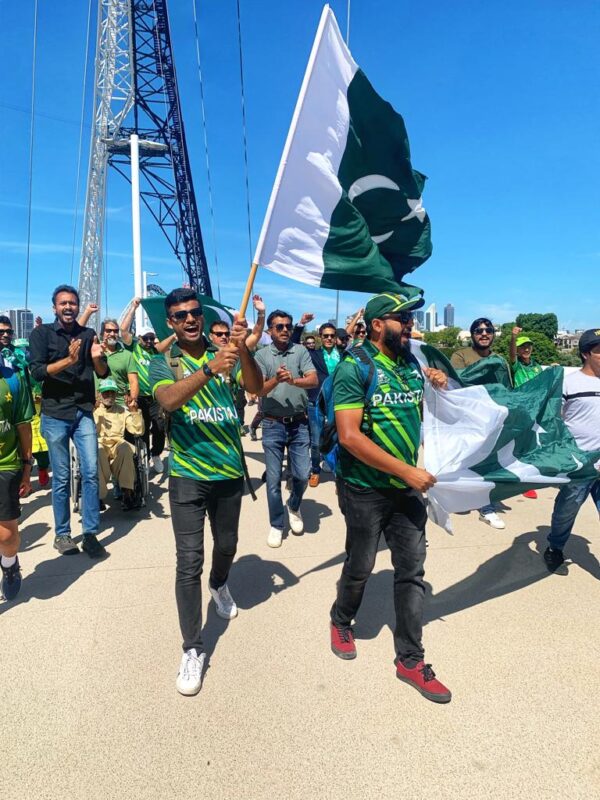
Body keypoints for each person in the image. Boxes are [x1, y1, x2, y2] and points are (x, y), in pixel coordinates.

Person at [329, 291, 451, 703]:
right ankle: (341, 618)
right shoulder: (355, 366)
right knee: (361, 565)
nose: (411, 324)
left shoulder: (411, 363)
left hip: (407, 490)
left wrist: (438, 383)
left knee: (411, 570)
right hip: (364, 489)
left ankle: (411, 659)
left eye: (412, 318)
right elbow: (348, 436)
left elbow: (426, 411)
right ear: (379, 324)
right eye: (404, 319)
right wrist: (406, 472)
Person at [150, 288, 263, 696]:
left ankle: (219, 583)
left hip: (229, 472)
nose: (190, 320)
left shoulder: (226, 350)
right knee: (187, 562)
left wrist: (242, 350)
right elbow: (168, 400)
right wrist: (211, 369)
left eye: (195, 313)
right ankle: (193, 647)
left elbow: (255, 387)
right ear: (170, 323)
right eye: (181, 316)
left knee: (228, 545)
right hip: (187, 476)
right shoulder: (162, 361)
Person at [29, 284, 109, 558]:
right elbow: (38, 372)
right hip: (54, 413)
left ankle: (90, 533)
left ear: (77, 306)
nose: (68, 307)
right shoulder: (41, 334)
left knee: (90, 472)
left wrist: (98, 358)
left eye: (72, 303)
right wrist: (68, 360)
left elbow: (102, 371)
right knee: (61, 477)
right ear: (54, 307)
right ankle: (62, 534)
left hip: (83, 411)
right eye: (63, 303)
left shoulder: (88, 334)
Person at [254, 310, 318, 548]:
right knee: (273, 480)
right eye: (279, 326)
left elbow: (313, 380)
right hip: (272, 424)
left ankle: (293, 505)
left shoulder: (300, 351)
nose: (284, 330)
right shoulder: (261, 355)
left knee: (302, 475)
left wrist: (293, 381)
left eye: (288, 326)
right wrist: (277, 380)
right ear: (270, 330)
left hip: (299, 423)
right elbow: (259, 389)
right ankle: (276, 524)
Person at [544, 329, 600, 574]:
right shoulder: (569, 382)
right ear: (586, 353)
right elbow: (553, 421)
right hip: (579, 464)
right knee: (566, 511)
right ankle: (555, 547)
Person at [451, 318, 507, 529]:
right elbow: (457, 380)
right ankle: (461, 496)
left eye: (488, 330)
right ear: (472, 335)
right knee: (463, 461)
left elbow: (504, 388)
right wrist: (485, 367)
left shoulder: (499, 359)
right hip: (465, 418)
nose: (484, 334)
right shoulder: (461, 355)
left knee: (488, 462)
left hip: (491, 419)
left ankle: (486, 506)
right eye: (478, 330)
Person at [120, 297, 176, 474]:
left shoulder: (154, 350)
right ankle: (142, 457)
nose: (150, 341)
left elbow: (167, 343)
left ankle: (156, 454)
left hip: (154, 396)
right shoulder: (133, 347)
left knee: (159, 426)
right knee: (141, 428)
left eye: (152, 338)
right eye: (147, 338)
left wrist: (175, 333)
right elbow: (123, 330)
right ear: (139, 337)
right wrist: (133, 307)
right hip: (138, 396)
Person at [0, 321, 49, 486]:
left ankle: (22, 480)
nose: (5, 335)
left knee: (29, 444)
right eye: (1, 332)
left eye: (9, 332)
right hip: (3, 407)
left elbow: (36, 359)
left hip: (22, 405)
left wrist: (38, 331)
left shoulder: (18, 355)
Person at [0, 357, 33, 601]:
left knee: (8, 537)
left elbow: (23, 426)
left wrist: (27, 467)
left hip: (6, 465)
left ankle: (9, 564)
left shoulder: (13, 379)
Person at [95, 378, 145, 510]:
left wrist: (134, 411)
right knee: (97, 450)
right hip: (101, 444)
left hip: (118, 445)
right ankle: (98, 496)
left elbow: (137, 430)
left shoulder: (122, 411)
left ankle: (127, 493)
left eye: (112, 393)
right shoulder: (94, 411)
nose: (109, 396)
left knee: (125, 448)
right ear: (99, 394)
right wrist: (92, 412)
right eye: (106, 393)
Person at [510, 327, 543, 499]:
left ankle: (530, 478)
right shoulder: (516, 366)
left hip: (535, 410)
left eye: (528, 346)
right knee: (520, 446)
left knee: (533, 444)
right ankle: (522, 482)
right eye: (523, 347)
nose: (526, 349)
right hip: (521, 410)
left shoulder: (537, 367)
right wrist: (514, 337)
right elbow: (512, 355)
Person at [96, 319, 139, 408]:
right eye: (108, 331)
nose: (112, 334)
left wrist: (133, 400)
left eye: (115, 331)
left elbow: (133, 381)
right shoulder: (94, 351)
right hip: (98, 404)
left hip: (121, 405)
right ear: (101, 333)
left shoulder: (127, 355)